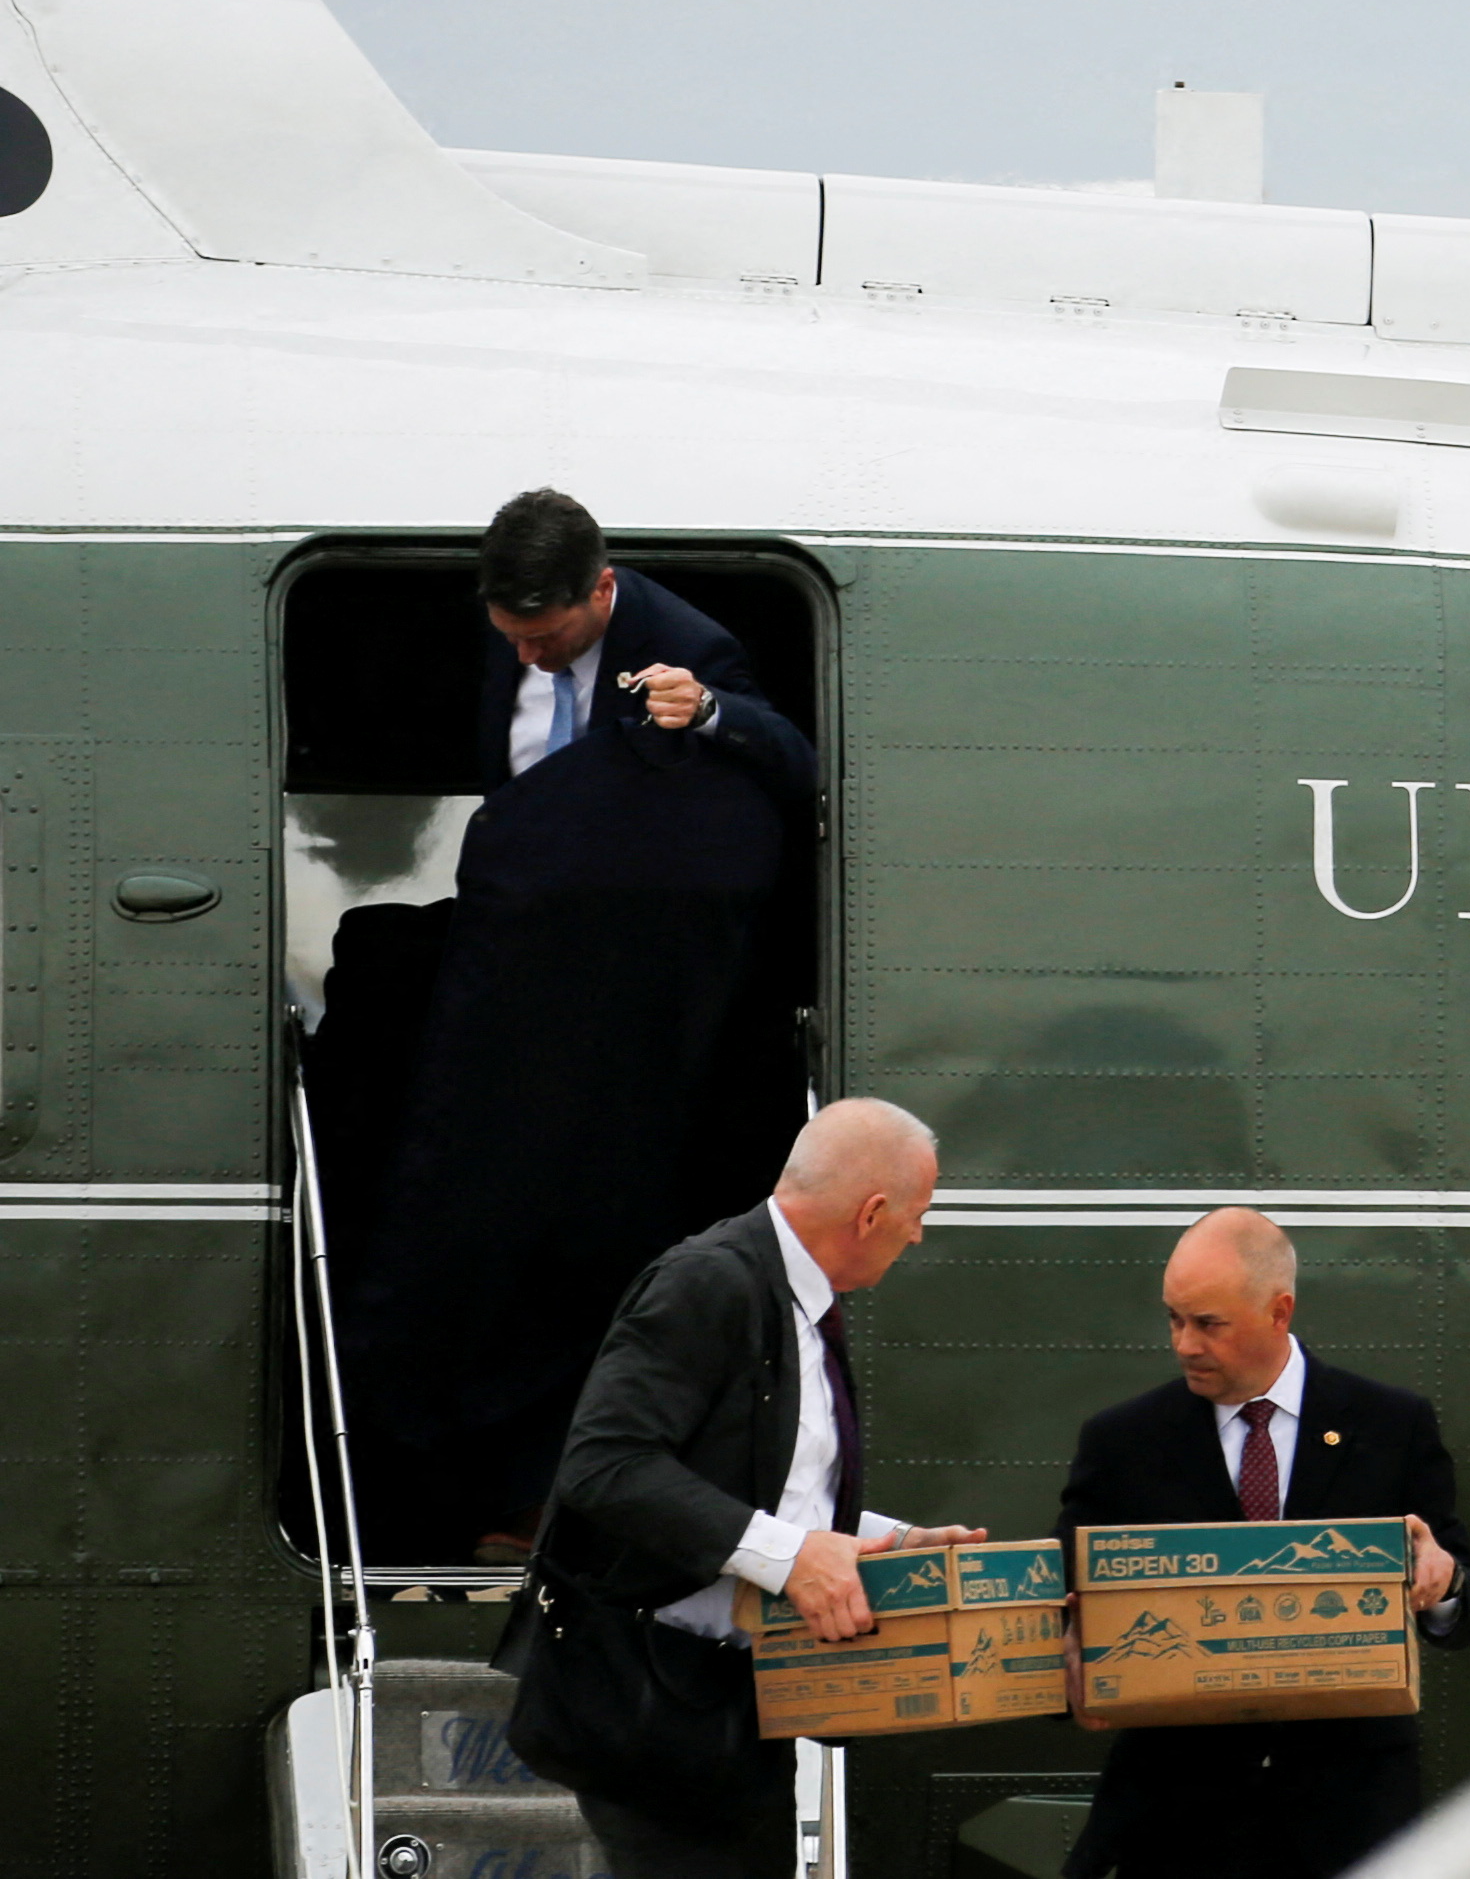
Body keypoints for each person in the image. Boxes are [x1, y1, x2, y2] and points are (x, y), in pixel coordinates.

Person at [327, 487, 823, 1557]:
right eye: (513, 640)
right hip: (520, 984)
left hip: (620, 1006)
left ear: (602, 591)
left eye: (548, 638)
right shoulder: (506, 641)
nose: (532, 657)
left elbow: (794, 764)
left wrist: (715, 715)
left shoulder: (690, 644)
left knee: (590, 1231)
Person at [495, 1099, 985, 1879]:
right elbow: (604, 1465)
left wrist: (883, 1539)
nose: (918, 1235)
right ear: (872, 1212)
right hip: (653, 1709)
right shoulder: (709, 1283)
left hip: (731, 1709)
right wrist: (792, 1558)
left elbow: (767, 1483)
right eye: (918, 1215)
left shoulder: (801, 1299)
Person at [1052, 1207, 1470, 1879]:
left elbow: (1469, 1602)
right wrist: (1066, 1654)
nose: (1184, 1344)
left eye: (1209, 1323)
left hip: (1349, 1823)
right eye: (1175, 1318)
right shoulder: (1123, 1442)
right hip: (1178, 1827)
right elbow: (1063, 1598)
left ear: (1279, 1310)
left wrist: (1444, 1583)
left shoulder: (1389, 1424)